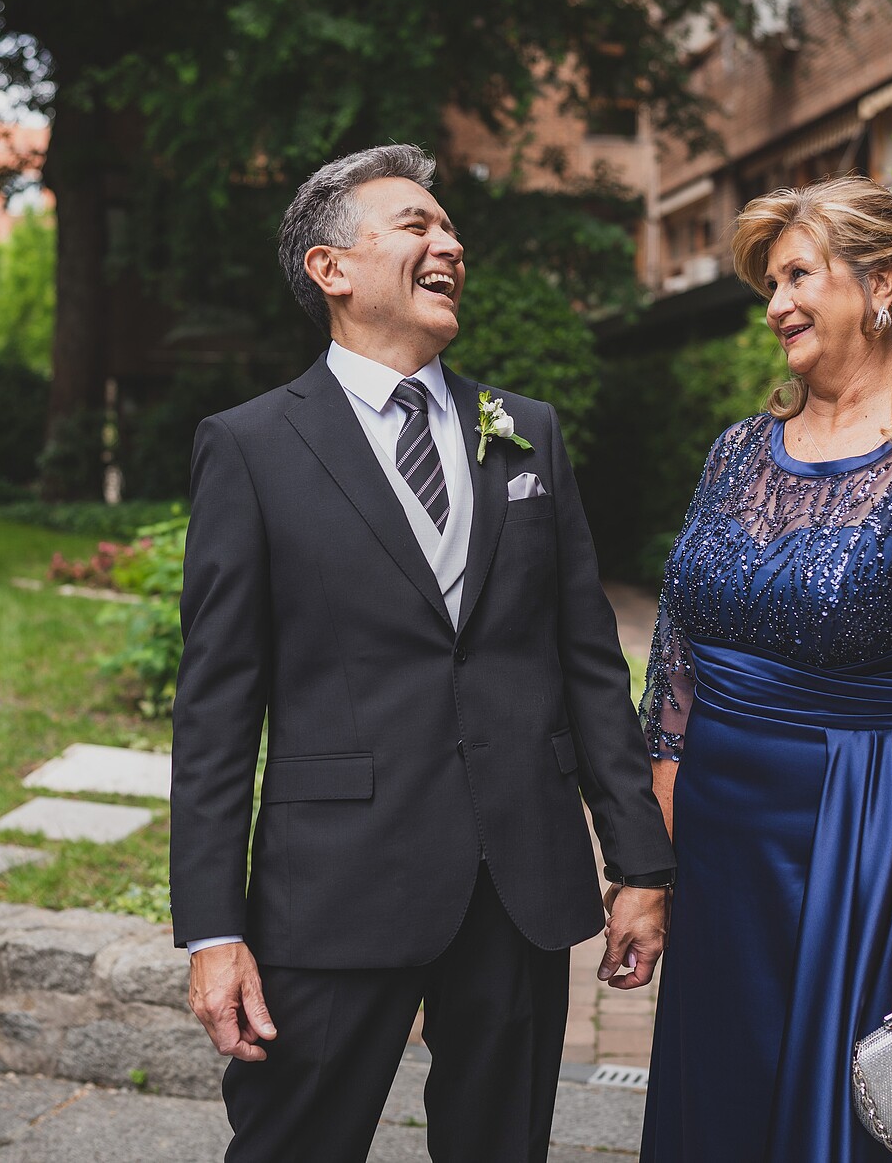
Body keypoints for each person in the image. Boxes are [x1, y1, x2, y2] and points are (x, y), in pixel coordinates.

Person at [169, 144, 676, 1163]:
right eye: (414, 225)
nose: (447, 243)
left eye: (448, 230)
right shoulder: (252, 447)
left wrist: (639, 862)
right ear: (330, 269)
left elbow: (585, 659)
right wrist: (211, 929)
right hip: (334, 884)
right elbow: (217, 708)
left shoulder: (523, 432)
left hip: (518, 883)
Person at [638, 177, 892, 1162]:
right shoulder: (735, 453)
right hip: (719, 864)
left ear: (881, 281)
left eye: (797, 276)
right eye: (769, 283)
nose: (775, 304)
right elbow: (674, 677)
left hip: (860, 855)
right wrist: (648, 873)